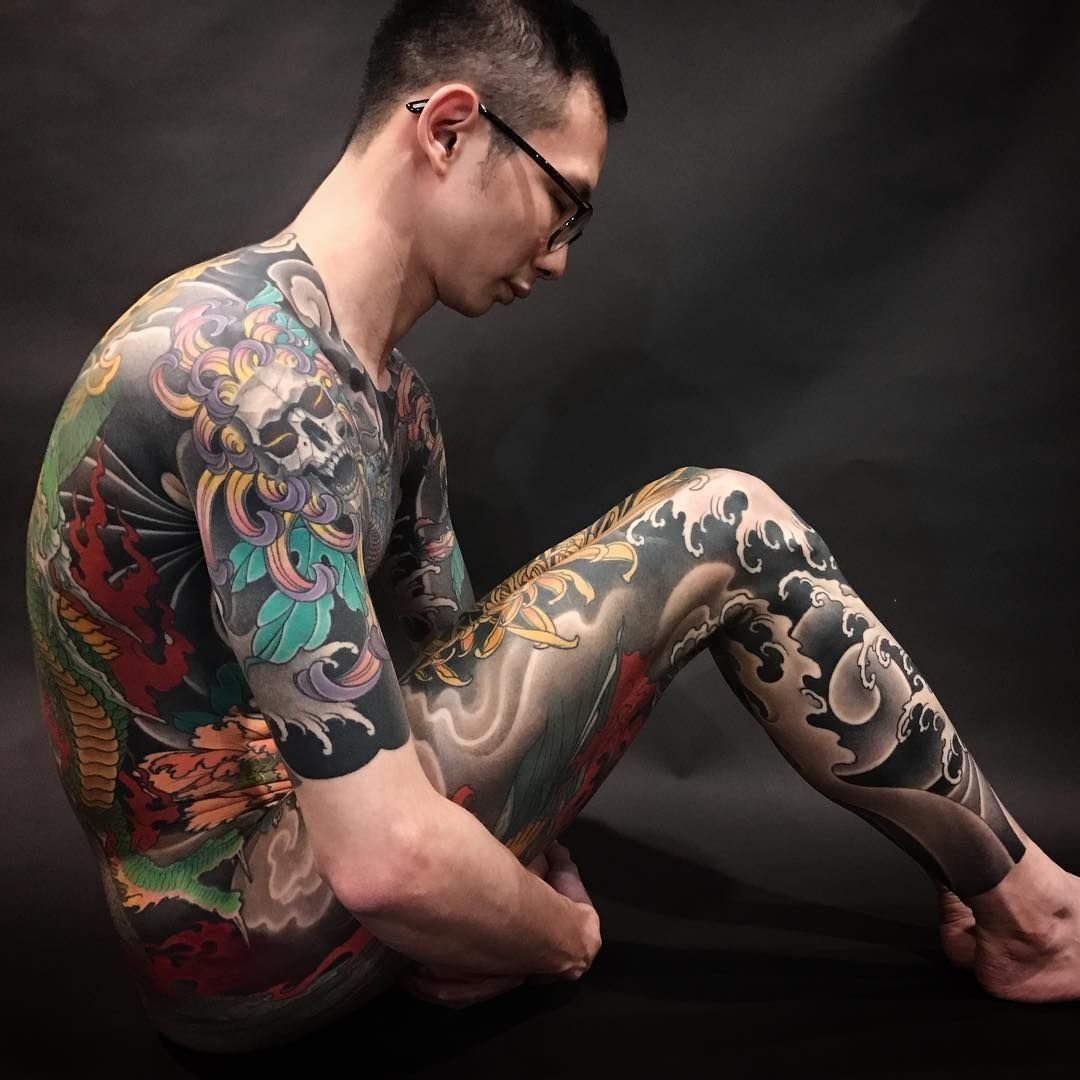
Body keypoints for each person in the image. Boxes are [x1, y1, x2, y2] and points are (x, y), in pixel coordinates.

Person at [25, 0, 1078, 1055]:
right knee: (727, 521)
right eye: (562, 203)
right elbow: (389, 862)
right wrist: (557, 938)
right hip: (240, 946)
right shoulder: (257, 385)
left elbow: (456, 671)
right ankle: (1039, 922)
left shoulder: (390, 405)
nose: (560, 258)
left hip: (286, 900)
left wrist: (498, 874)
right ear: (449, 129)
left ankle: (993, 880)